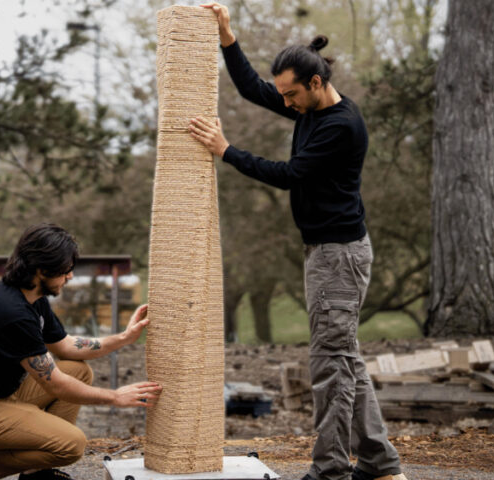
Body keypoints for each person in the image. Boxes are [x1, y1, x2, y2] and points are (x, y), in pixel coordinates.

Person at [189, 4, 407, 480]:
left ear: (314, 83)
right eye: (282, 94)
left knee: (330, 366)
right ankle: (381, 463)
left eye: (290, 95)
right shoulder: (307, 105)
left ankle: (329, 471)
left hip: (338, 257)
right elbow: (251, 88)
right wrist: (228, 37)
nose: (283, 103)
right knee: (345, 357)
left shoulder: (339, 127)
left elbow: (289, 176)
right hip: (328, 253)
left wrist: (226, 151)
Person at [0, 223, 162, 480]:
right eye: (66, 269)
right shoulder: (12, 312)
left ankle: (37, 474)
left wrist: (122, 338)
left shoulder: (32, 297)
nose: (70, 276)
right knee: (72, 444)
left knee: (78, 371)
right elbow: (56, 385)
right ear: (42, 269)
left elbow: (65, 345)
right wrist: (115, 397)